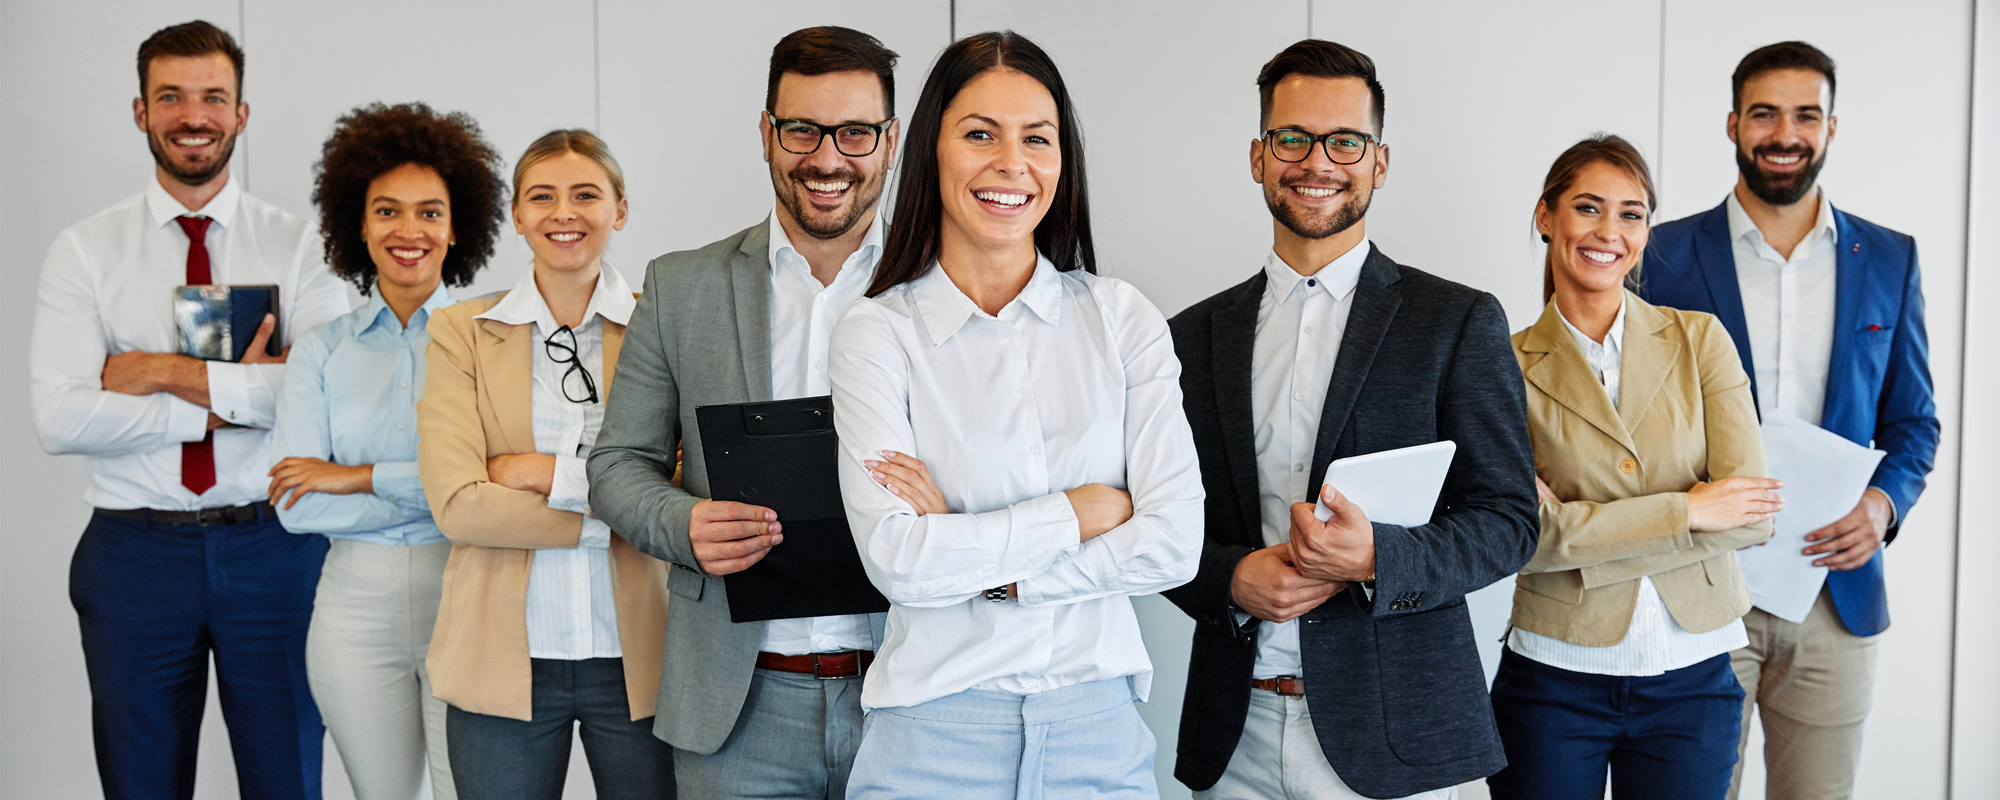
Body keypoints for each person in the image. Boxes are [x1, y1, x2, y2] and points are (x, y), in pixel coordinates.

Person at [823, 30, 1204, 799]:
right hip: (932, 737)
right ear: (931, 148)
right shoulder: (877, 333)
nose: (1011, 164)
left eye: (1037, 138)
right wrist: (1080, 511)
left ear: (1063, 163)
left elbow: (1174, 545)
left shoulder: (1122, 318)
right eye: (979, 135)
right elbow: (898, 561)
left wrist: (992, 574)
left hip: (1098, 736)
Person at [1159, 39, 1539, 800]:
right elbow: (1158, 525)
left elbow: (1509, 520)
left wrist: (1377, 558)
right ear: (1259, 156)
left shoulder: (1455, 320)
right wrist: (1230, 579)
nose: (1317, 161)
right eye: (1292, 138)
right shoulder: (1190, 336)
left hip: (1402, 741)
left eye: (1345, 141)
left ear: (1380, 161)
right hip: (1233, 738)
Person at [29, 20, 352, 799]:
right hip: (134, 559)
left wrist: (161, 373)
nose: (192, 115)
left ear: (242, 113)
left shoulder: (304, 246)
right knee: (141, 785)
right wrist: (233, 400)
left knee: (288, 783)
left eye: (213, 96)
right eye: (170, 96)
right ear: (140, 111)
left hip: (275, 548)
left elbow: (329, 399)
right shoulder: (84, 250)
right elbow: (60, 418)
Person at [587, 26, 900, 799]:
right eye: (802, 129)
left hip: (914, 693)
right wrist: (682, 525)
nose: (827, 159)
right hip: (738, 707)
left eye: (855, 132)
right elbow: (616, 467)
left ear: (890, 144)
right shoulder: (681, 286)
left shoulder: (944, 284)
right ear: (766, 134)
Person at [1640, 41, 1940, 800]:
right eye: (1766, 113)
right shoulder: (1664, 253)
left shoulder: (1890, 259)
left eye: (1806, 114)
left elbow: (1914, 423)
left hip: (1835, 594)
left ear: (1832, 127)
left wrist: (1884, 505)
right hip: (1696, 587)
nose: (1785, 133)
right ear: (1734, 123)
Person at [1485, 135, 1780, 800]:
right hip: (1550, 682)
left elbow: (1749, 517)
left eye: (1631, 213)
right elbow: (1523, 538)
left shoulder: (1699, 339)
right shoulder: (1502, 364)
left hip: (1694, 681)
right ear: (1545, 217)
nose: (1609, 232)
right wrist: (1689, 509)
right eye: (1588, 208)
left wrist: (1582, 527)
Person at [416, 129, 674, 800]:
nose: (565, 213)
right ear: (518, 215)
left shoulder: (662, 326)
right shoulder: (460, 332)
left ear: (619, 209)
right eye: (543, 197)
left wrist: (544, 473)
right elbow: (459, 503)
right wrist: (617, 512)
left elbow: (681, 483)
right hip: (501, 662)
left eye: (586, 194)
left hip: (643, 658)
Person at [268, 102, 507, 800]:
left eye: (430, 211)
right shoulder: (320, 351)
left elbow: (494, 493)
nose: (409, 231)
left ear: (457, 225)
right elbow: (295, 506)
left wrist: (357, 477)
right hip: (351, 611)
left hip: (466, 593)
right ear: (358, 223)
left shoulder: (488, 339)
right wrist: (440, 492)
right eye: (387, 211)